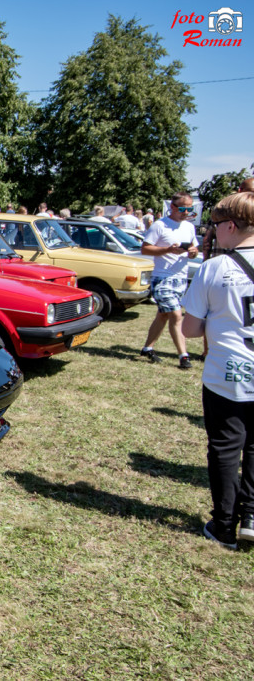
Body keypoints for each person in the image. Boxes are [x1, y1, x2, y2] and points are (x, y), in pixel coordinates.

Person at [181, 191, 254, 548]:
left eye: (214, 225)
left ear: (229, 225)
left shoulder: (215, 267)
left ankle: (224, 524)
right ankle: (252, 516)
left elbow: (190, 329)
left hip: (229, 372)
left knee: (225, 448)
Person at [139, 192, 198, 368]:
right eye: (182, 209)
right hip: (162, 277)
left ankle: (147, 348)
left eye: (189, 209)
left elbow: (193, 249)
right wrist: (167, 250)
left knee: (163, 315)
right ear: (172, 207)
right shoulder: (160, 225)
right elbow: (145, 249)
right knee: (176, 314)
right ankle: (183, 356)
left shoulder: (189, 227)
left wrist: (193, 252)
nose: (186, 212)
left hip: (180, 278)